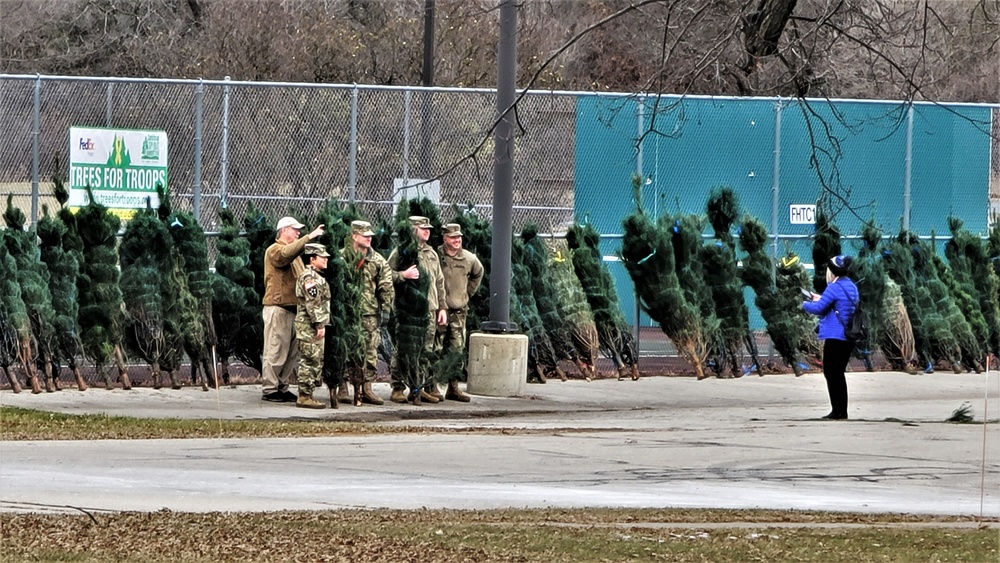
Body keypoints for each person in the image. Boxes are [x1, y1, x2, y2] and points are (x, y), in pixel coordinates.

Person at [261, 216, 324, 403]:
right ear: (283, 231)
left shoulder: (295, 255)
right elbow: (285, 255)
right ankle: (270, 388)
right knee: (276, 348)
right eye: (294, 229)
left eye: (299, 230)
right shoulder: (275, 250)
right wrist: (309, 237)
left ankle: (282, 385)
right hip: (277, 307)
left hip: (293, 309)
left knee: (290, 353)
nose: (298, 232)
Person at [387, 216, 446, 404]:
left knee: (425, 350)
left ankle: (417, 387)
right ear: (413, 230)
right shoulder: (402, 252)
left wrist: (442, 307)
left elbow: (439, 281)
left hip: (429, 309)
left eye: (428, 228)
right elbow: (386, 275)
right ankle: (398, 387)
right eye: (423, 228)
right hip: (408, 310)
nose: (427, 231)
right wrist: (403, 275)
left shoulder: (431, 254)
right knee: (403, 349)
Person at [338, 220, 394, 406]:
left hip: (369, 313)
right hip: (347, 312)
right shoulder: (342, 258)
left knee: (370, 350)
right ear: (354, 236)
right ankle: (343, 386)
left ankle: (366, 387)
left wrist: (386, 308)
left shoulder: (377, 260)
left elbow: (386, 286)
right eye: (365, 235)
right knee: (344, 350)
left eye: (370, 235)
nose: (369, 238)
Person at [802, 254, 859, 420]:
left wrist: (804, 303)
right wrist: (820, 298)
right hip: (849, 337)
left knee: (831, 373)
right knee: (838, 373)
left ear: (832, 271)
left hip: (835, 336)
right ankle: (842, 410)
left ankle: (837, 411)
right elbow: (841, 304)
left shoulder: (833, 287)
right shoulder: (851, 286)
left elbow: (819, 308)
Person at [436, 223, 484, 402]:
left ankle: (453, 387)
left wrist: (467, 293)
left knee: (456, 348)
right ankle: (432, 386)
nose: (457, 240)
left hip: (458, 311)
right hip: (439, 310)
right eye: (453, 237)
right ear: (445, 238)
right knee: (436, 348)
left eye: (459, 237)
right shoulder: (436, 256)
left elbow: (478, 273)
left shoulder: (469, 259)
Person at [294, 243, 331, 409]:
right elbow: (312, 303)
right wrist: (319, 324)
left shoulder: (315, 276)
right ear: (312, 259)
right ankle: (304, 396)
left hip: (311, 325)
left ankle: (308, 394)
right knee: (310, 359)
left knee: (315, 358)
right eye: (322, 257)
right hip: (308, 326)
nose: (326, 260)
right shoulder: (309, 278)